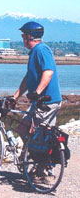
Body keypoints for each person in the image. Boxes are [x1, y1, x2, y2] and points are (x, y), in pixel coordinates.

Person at [12, 21, 62, 183]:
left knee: (41, 136)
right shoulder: (34, 52)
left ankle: (42, 172)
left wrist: (37, 93)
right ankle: (30, 158)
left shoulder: (41, 50)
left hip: (46, 102)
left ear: (28, 37)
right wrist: (15, 97)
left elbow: (48, 73)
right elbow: (28, 78)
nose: (22, 39)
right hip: (39, 102)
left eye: (23, 36)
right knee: (23, 128)